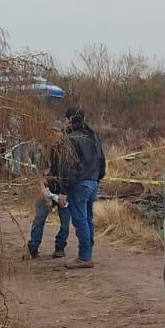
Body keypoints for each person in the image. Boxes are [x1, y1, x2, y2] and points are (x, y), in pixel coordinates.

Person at [62, 106, 106, 269]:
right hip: (93, 181)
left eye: (65, 119)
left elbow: (68, 165)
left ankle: (85, 257)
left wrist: (64, 185)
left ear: (69, 120)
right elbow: (102, 158)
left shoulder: (71, 138)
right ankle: (87, 253)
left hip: (79, 184)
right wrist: (98, 177)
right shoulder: (93, 135)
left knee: (80, 219)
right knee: (87, 218)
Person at [26, 125, 72, 259]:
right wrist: (43, 190)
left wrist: (66, 193)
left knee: (65, 222)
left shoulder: (68, 152)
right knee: (39, 218)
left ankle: (60, 247)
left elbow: (71, 174)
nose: (53, 136)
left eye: (56, 132)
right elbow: (39, 173)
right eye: (50, 133)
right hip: (48, 189)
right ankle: (33, 248)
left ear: (61, 134)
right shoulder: (43, 151)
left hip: (64, 190)